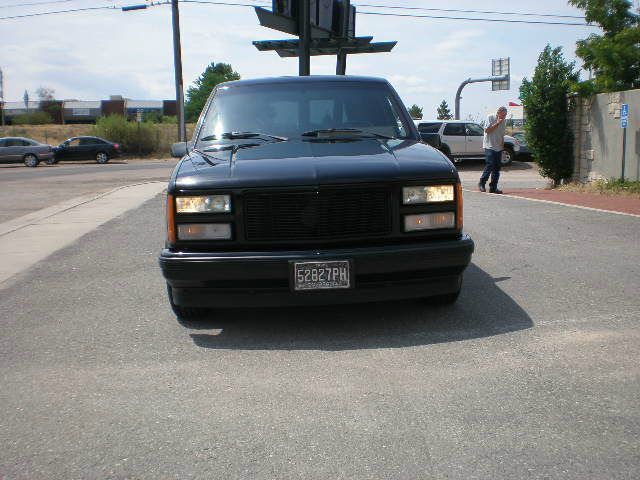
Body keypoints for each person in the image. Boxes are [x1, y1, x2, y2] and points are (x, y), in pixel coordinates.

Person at [478, 106, 507, 194]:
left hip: (498, 147)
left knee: (497, 168)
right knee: (490, 164)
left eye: (505, 115)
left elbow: (502, 135)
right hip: (489, 145)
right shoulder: (490, 117)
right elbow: (487, 130)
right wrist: (497, 123)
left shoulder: (504, 121)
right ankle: (482, 183)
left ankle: (493, 187)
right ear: (498, 113)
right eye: (502, 115)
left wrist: (502, 147)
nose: (504, 117)